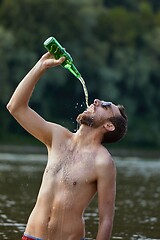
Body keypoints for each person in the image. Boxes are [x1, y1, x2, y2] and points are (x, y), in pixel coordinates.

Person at [7, 52, 128, 240]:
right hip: (30, 236)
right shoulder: (58, 137)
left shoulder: (103, 162)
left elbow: (106, 220)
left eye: (105, 105)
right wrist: (41, 67)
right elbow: (15, 107)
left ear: (109, 125)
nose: (96, 101)